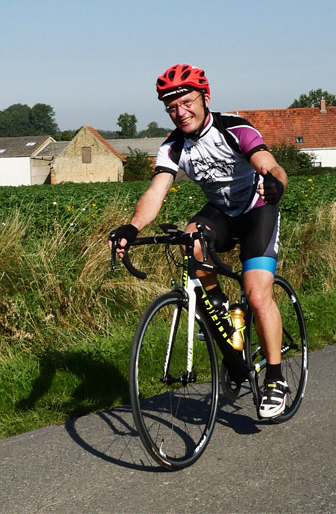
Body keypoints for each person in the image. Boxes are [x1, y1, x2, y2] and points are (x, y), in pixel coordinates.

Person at [109, 64, 289, 419]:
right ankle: (220, 310)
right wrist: (132, 227)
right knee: (189, 239)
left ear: (205, 98)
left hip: (257, 210)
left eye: (187, 102)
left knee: (257, 295)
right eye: (172, 107)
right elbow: (156, 192)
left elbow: (269, 164)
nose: (180, 112)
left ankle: (275, 377)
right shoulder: (173, 147)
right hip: (221, 212)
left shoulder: (234, 129)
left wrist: (275, 183)